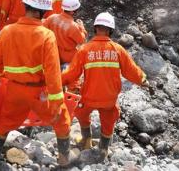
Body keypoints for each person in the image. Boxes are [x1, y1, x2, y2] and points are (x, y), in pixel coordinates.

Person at [0, 0, 76, 169]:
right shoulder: (46, 35)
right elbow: (52, 71)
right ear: (43, 12)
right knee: (62, 121)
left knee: (5, 122)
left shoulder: (7, 31)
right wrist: (57, 100)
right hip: (39, 92)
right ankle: (64, 161)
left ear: (25, 5)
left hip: (14, 89)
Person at [62, 12, 148, 161]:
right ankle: (103, 149)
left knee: (81, 113)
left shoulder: (85, 50)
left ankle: (86, 141)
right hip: (109, 99)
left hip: (89, 97)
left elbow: (72, 73)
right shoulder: (118, 50)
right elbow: (131, 71)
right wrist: (144, 81)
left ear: (95, 29)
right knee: (108, 121)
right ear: (111, 30)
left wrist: (58, 82)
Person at [43, 0, 86, 65]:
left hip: (54, 54)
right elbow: (82, 41)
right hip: (68, 58)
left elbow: (43, 26)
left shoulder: (52, 18)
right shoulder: (73, 26)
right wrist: (81, 27)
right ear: (72, 11)